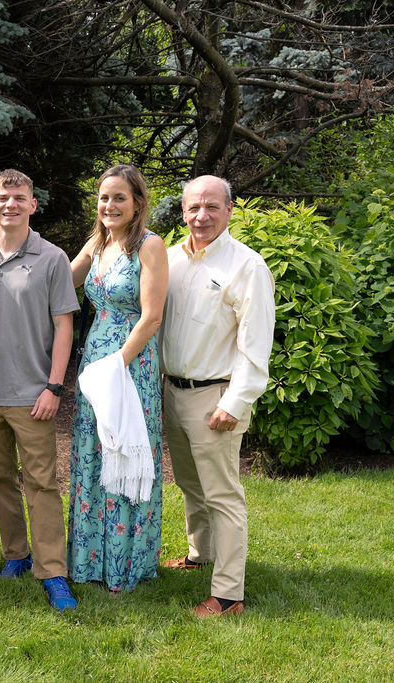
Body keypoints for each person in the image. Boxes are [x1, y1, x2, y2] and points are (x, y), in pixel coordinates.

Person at [159, 175, 275, 617]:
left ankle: (228, 595)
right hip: (173, 391)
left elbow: (255, 343)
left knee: (222, 494)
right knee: (191, 484)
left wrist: (235, 401)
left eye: (211, 207)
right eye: (193, 207)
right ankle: (200, 554)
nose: (201, 216)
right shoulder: (170, 259)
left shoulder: (247, 266)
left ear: (229, 210)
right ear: (183, 211)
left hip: (216, 396)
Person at [0, 169, 80, 610]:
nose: (10, 204)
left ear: (33, 205)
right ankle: (16, 554)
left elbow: (64, 325)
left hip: (34, 395)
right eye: (3, 197)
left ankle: (52, 571)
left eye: (19, 197)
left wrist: (55, 386)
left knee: (41, 484)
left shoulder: (52, 258)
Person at [66, 164, 168, 591]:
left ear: (138, 202)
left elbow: (152, 317)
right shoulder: (98, 242)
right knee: (93, 453)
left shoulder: (149, 246)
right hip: (95, 364)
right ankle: (89, 562)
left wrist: (117, 365)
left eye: (119, 197)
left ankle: (125, 564)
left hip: (130, 365)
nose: (110, 205)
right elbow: (57, 284)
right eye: (104, 197)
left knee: (124, 453)